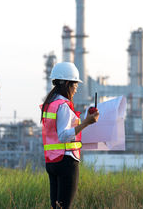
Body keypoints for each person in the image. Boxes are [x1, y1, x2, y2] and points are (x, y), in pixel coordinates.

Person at [40, 62, 99, 209]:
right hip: (66, 161)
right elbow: (64, 135)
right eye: (75, 85)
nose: (76, 89)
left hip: (52, 161)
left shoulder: (50, 104)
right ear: (67, 83)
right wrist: (86, 122)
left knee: (56, 207)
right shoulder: (64, 105)